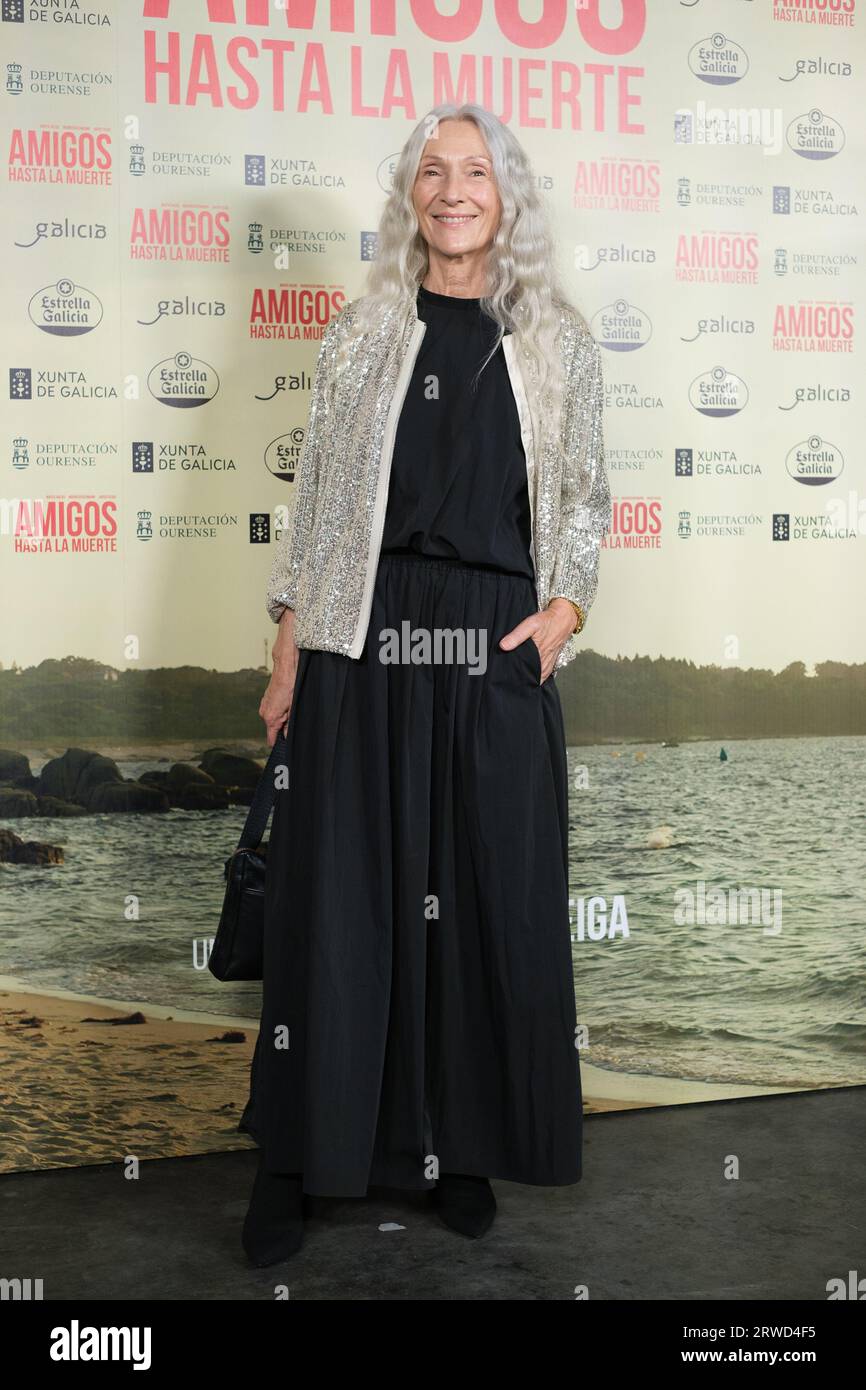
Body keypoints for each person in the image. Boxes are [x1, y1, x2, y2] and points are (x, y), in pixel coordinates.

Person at [238, 102, 611, 1267]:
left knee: (478, 914)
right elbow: (315, 516)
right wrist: (289, 649)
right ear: (412, 193)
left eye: (477, 173)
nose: (454, 190)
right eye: (433, 172)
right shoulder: (357, 336)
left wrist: (560, 616)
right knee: (335, 914)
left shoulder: (559, 345)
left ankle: (456, 1151)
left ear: (507, 196)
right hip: (364, 638)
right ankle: (294, 1165)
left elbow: (584, 504)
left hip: (490, 651)